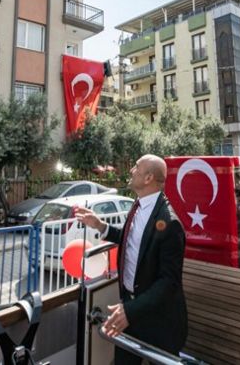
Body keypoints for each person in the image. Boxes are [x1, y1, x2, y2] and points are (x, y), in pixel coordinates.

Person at [75, 155, 187, 365]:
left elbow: (169, 282)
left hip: (158, 319)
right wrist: (100, 225)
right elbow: (131, 240)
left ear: (148, 178)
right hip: (129, 309)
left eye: (136, 167)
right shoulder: (138, 205)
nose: (131, 170)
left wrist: (130, 310)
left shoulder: (170, 223)